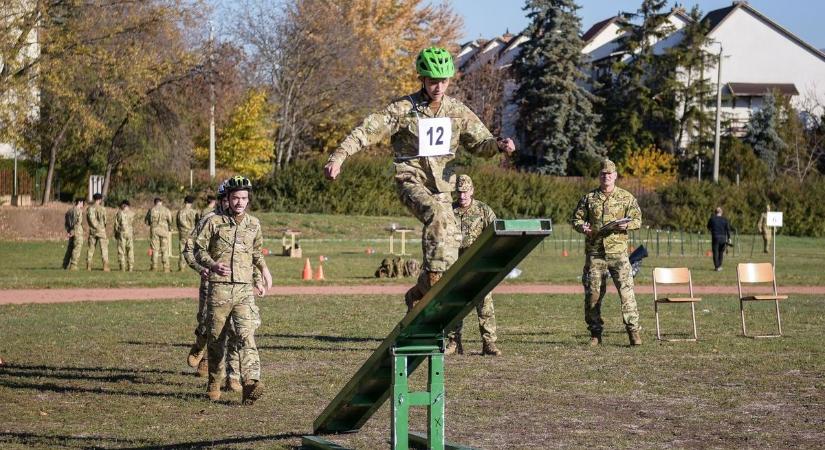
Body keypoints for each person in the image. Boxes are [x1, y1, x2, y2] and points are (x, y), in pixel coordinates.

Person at [324, 47, 515, 310]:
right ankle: (434, 283)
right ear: (422, 79)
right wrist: (338, 157)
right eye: (433, 81)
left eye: (444, 81)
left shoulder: (456, 111)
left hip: (442, 187)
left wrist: (499, 145)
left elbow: (480, 143)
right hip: (411, 180)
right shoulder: (404, 109)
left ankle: (419, 291)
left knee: (452, 248)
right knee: (436, 215)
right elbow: (366, 131)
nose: (439, 87)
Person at [194, 175, 272, 404]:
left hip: (244, 290)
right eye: (236, 198)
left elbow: (255, 252)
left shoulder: (254, 224)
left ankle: (251, 382)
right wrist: (212, 265)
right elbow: (198, 249)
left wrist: (264, 271)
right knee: (216, 339)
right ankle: (214, 382)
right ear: (227, 199)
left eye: (244, 198)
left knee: (246, 335)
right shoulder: (214, 222)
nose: (240, 202)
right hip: (219, 290)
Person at [183, 181, 249, 393]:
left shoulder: (242, 222)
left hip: (236, 286)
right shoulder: (209, 220)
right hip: (211, 282)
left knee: (235, 331)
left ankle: (232, 376)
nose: (231, 203)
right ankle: (200, 349)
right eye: (228, 199)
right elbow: (190, 249)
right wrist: (201, 268)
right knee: (207, 324)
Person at [571, 159, 643, 346]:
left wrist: (628, 225)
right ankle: (595, 334)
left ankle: (633, 332)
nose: (606, 177)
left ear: (615, 176)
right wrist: (582, 227)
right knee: (593, 295)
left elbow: (638, 220)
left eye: (609, 174)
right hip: (596, 254)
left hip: (619, 254)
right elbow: (576, 219)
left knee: (627, 294)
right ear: (599, 176)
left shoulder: (626, 197)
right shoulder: (589, 198)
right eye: (603, 174)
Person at [446, 175, 501, 356]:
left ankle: (489, 344)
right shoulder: (449, 210)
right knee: (454, 303)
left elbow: (496, 233)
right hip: (456, 266)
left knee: (485, 304)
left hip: (478, 266)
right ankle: (454, 342)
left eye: (465, 191)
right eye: (459, 192)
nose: (462, 196)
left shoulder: (483, 210)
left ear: (472, 190)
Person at [145, 197, 173, 272]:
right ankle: (166, 267)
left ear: (155, 202)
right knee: (164, 249)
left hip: (154, 230)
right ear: (161, 202)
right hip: (164, 231)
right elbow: (170, 220)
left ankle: (154, 267)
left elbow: (147, 221)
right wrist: (169, 227)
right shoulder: (166, 210)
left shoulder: (151, 210)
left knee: (154, 249)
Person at [86, 193, 110, 272]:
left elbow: (89, 219)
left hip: (92, 231)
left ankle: (88, 266)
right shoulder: (102, 209)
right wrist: (101, 227)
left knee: (91, 248)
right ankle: (105, 266)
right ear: (99, 200)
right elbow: (105, 220)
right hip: (101, 231)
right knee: (104, 249)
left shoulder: (89, 208)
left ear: (94, 199)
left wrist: (94, 226)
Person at [176, 195, 199, 271]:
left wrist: (181, 229)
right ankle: (194, 266)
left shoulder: (180, 212)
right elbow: (198, 222)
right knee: (192, 250)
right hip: (192, 233)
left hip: (183, 233)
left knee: (182, 249)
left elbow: (178, 223)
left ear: (185, 202)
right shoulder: (194, 212)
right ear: (191, 203)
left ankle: (182, 267)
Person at [707, 206, 732, 271]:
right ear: (721, 212)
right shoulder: (725, 219)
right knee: (721, 252)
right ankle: (719, 265)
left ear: (715, 212)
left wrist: (712, 230)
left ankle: (717, 266)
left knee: (715, 252)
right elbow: (728, 229)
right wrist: (729, 238)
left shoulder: (712, 219)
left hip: (715, 237)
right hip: (723, 238)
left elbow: (708, 227)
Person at [63, 198, 85, 270]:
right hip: (77, 232)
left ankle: (65, 264)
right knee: (77, 248)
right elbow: (78, 223)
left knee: (70, 248)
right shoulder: (79, 211)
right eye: (82, 202)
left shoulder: (69, 211)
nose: (83, 204)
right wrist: (74, 231)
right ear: (79, 202)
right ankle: (73, 265)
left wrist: (69, 231)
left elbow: (66, 223)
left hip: (71, 231)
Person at [114, 200, 135, 272]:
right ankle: (130, 267)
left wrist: (116, 233)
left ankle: (122, 267)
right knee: (130, 250)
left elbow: (116, 225)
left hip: (122, 233)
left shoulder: (119, 213)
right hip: (130, 233)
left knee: (121, 250)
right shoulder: (132, 213)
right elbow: (132, 223)